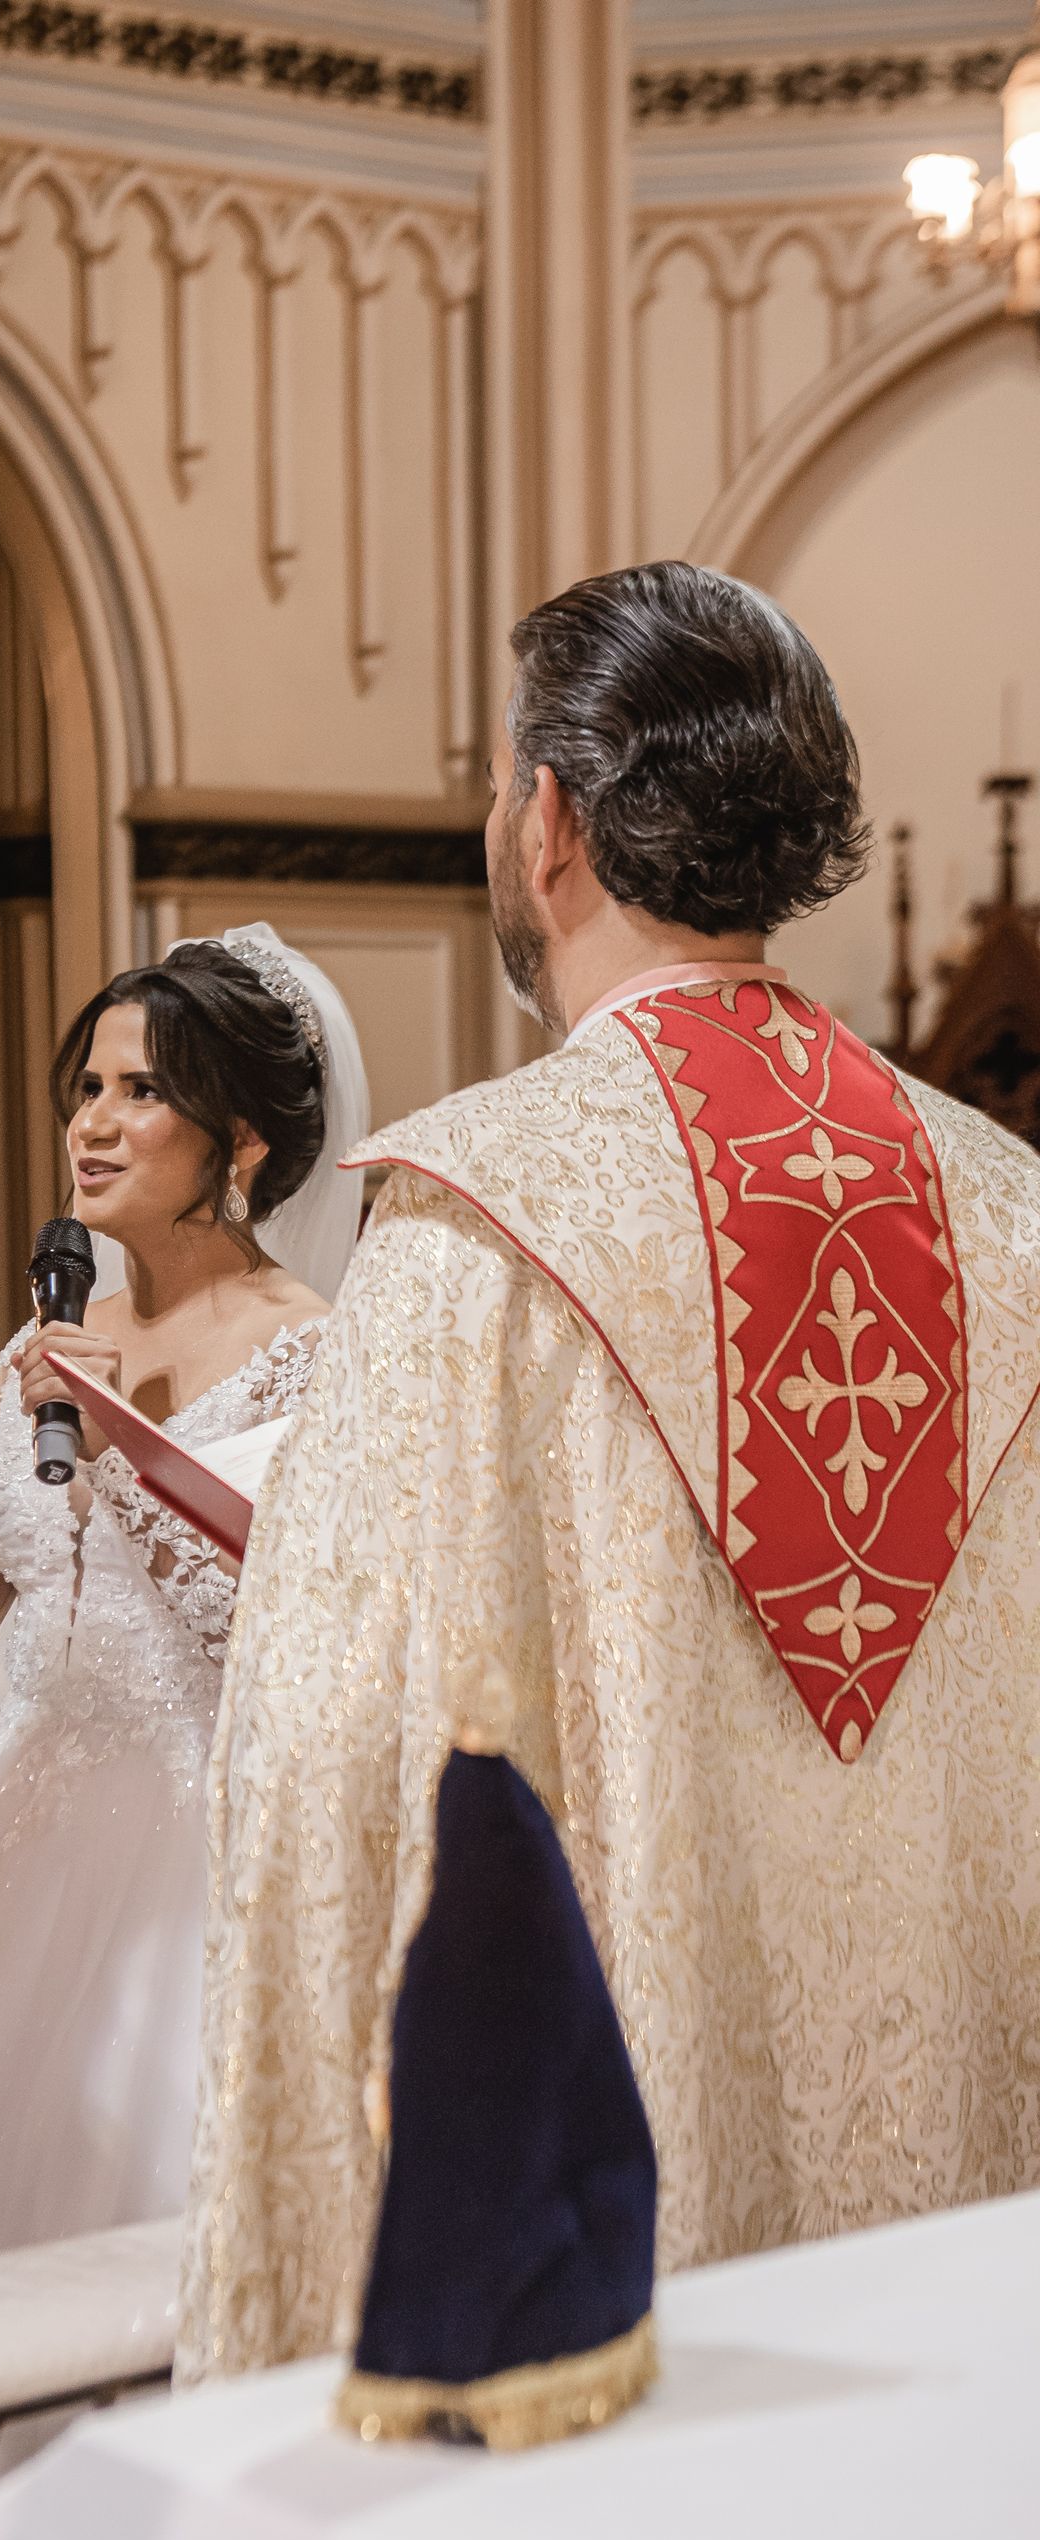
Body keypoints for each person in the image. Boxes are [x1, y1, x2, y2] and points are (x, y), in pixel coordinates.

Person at [182, 561, 1040, 2387]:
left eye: (505, 785)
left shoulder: (472, 1235)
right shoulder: (1015, 1217)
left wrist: (310, 2294)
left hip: (616, 2313)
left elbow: (325, 1785)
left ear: (551, 820)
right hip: (989, 2285)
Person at [0, 926, 369, 2265]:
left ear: (238, 1141)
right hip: (6, 1849)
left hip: (187, 1868)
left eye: (143, 1093)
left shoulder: (313, 1354)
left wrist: (127, 1448)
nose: (96, 1125)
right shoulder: (44, 1343)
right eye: (88, 1089)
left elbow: (292, 1634)